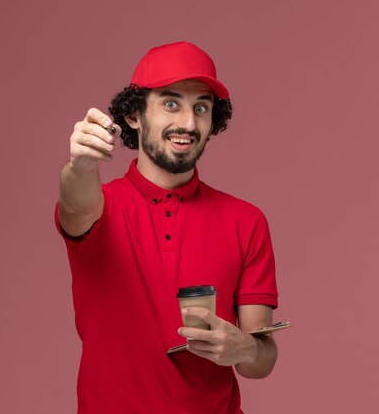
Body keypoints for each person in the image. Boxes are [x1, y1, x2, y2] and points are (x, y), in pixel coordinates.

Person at [56, 41, 279, 414]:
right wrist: (79, 165)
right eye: (171, 103)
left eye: (201, 108)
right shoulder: (103, 206)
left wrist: (245, 348)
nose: (188, 124)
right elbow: (75, 203)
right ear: (134, 115)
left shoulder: (246, 221)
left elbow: (261, 359)